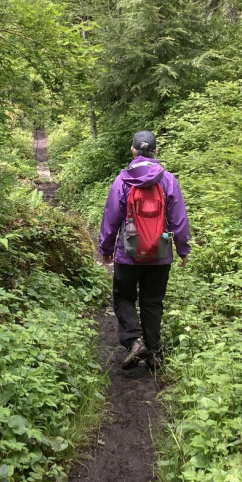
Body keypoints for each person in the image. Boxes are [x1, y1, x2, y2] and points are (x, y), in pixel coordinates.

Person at [99, 130, 191, 370]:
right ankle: (154, 351)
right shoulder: (168, 180)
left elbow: (111, 217)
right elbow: (178, 220)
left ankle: (134, 341)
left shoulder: (123, 180)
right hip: (160, 252)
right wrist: (183, 248)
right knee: (152, 301)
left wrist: (106, 247)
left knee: (123, 297)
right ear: (156, 151)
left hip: (127, 252)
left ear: (133, 150)